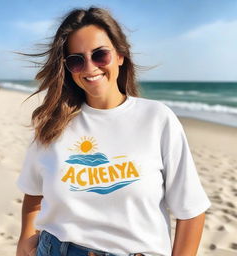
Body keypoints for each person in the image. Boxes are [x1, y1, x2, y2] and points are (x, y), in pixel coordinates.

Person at [16, 6, 211, 256]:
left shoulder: (157, 120)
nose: (90, 68)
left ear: (120, 55)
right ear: (67, 67)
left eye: (100, 55)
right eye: (76, 60)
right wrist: (24, 240)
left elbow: (191, 211)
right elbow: (33, 196)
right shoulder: (53, 125)